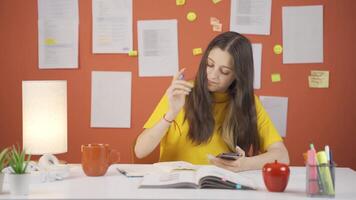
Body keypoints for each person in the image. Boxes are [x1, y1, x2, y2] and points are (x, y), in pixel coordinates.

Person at [134, 31, 289, 172]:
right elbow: (140, 151)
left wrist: (245, 164)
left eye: (224, 71)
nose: (212, 75)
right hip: (177, 187)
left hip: (219, 186)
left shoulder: (249, 103)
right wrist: (172, 112)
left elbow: (282, 156)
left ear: (238, 75)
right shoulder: (181, 92)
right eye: (210, 65)